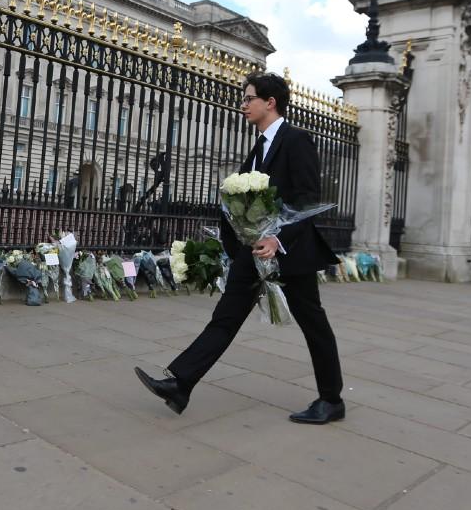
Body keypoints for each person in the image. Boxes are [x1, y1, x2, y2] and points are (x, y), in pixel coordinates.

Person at [135, 72, 343, 424]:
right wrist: (232, 242)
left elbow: (307, 201)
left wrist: (278, 239)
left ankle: (331, 400)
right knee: (226, 316)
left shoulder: (296, 141)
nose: (243, 105)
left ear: (270, 102)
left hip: (290, 254)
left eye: (248, 98)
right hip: (253, 250)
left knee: (313, 323)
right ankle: (180, 384)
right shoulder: (259, 147)